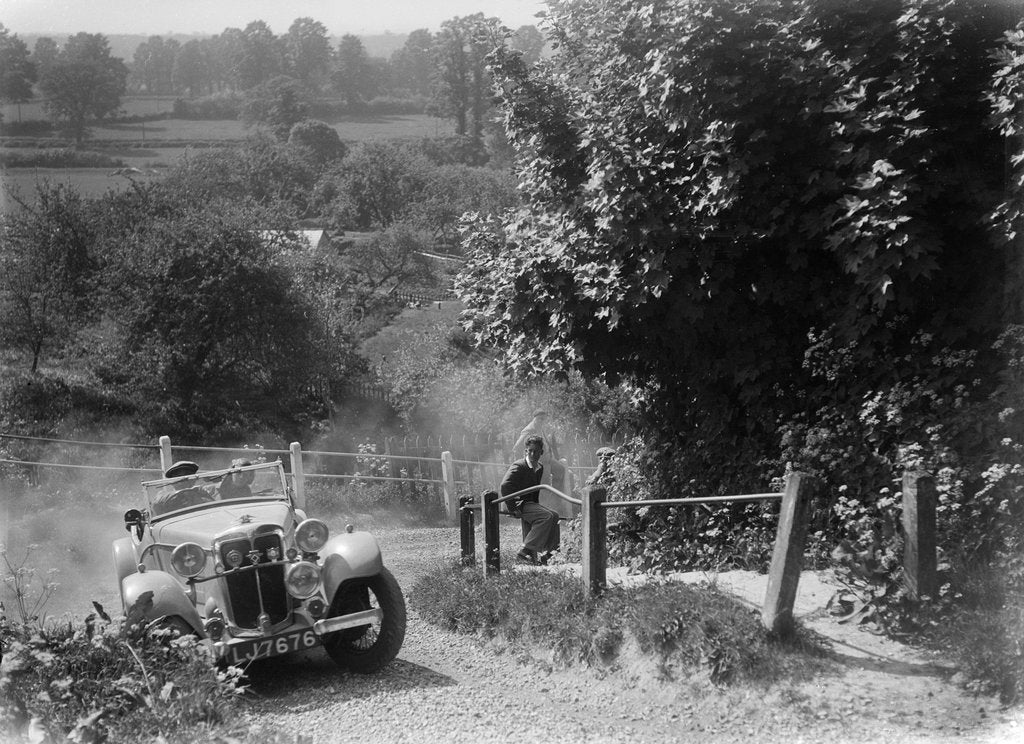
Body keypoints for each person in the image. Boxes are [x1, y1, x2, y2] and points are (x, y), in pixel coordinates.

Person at [500, 435, 560, 565]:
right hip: (516, 503)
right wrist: (513, 508)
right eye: (530, 451)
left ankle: (549, 554)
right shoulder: (519, 465)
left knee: (554, 515)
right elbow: (505, 486)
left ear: (541, 452)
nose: (532, 454)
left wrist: (536, 506)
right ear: (525, 451)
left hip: (528, 504)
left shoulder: (539, 467)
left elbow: (534, 490)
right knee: (546, 517)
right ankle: (524, 551)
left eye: (536, 451)